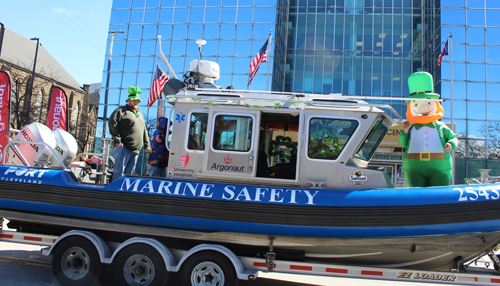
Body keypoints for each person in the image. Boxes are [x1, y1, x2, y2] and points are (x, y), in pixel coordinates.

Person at [399, 72, 458, 187]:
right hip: (413, 167)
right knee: (416, 195)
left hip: (439, 167)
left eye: (428, 103)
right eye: (416, 104)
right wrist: (405, 131)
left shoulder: (440, 126)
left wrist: (451, 144)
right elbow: (403, 143)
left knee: (438, 194)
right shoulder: (411, 127)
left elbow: (453, 137)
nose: (423, 108)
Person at [109, 86, 150, 182]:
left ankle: (124, 191)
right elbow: (112, 123)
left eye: (137, 101)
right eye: (134, 101)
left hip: (136, 149)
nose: (136, 103)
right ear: (128, 101)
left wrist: (147, 144)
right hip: (123, 147)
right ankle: (115, 191)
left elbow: (143, 129)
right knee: (119, 172)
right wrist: (117, 138)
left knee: (129, 173)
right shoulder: (121, 111)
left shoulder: (139, 114)